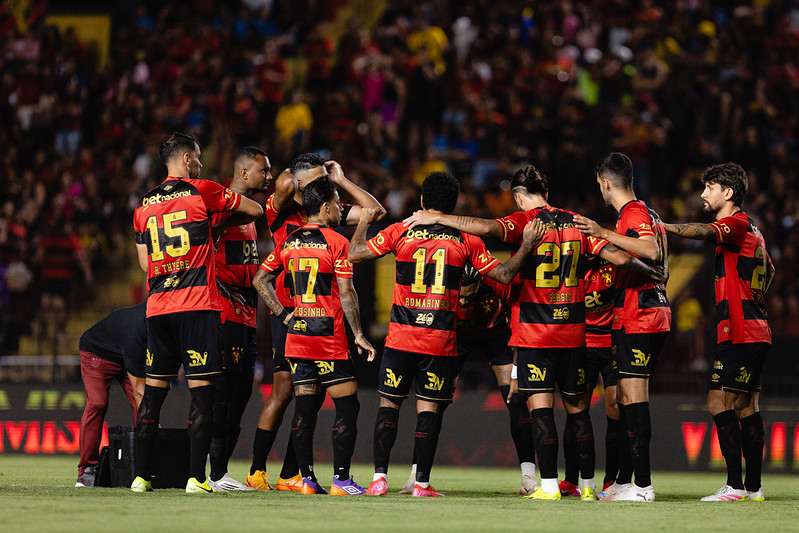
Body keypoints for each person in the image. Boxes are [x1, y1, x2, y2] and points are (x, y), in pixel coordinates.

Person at [404, 165, 664, 500]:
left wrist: (436, 218)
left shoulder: (523, 222)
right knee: (578, 411)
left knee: (541, 410)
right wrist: (651, 272)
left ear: (518, 195)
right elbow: (619, 258)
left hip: (535, 333)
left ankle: (550, 486)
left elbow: (483, 226)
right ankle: (587, 488)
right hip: (573, 333)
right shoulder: (577, 222)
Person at [349, 170, 544, 497]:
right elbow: (507, 273)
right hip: (443, 337)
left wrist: (362, 222)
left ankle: (380, 479)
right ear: (453, 206)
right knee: (430, 406)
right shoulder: (468, 241)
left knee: (392, 404)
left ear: (422, 202)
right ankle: (419, 480)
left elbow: (355, 255)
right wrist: (526, 246)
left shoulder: (402, 229)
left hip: (436, 335)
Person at [131, 132, 263, 494]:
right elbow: (255, 210)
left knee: (153, 395)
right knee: (202, 395)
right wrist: (211, 226)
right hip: (197, 306)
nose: (201, 164)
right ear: (188, 160)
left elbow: (145, 264)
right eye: (199, 158)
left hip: (158, 308)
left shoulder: (142, 205)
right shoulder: (200, 189)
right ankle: (196, 478)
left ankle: (140, 477)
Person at [247, 152, 385, 491]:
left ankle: (296, 475)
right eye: (318, 179)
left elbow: (375, 211)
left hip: (307, 317)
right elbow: (281, 182)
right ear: (299, 182)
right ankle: (258, 470)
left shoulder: (326, 211)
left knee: (306, 398)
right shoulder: (280, 209)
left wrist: (340, 181)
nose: (325, 183)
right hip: (294, 314)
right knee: (284, 393)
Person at [664, 163, 773, 502]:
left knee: (717, 402)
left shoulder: (736, 223)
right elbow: (769, 269)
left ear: (727, 193)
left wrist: (663, 226)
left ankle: (735, 486)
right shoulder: (754, 229)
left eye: (708, 188)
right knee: (746, 406)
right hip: (758, 328)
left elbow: (703, 231)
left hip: (739, 331)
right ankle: (753, 488)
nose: (702, 195)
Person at [574, 152, 671, 502]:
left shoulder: (632, 213)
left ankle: (642, 486)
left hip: (640, 315)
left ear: (605, 183)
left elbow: (649, 251)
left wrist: (601, 233)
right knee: (628, 399)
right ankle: (626, 482)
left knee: (634, 398)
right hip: (646, 313)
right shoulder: (649, 213)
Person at [398, 264, 538, 496]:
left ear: (481, 283)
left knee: (515, 400)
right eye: (459, 296)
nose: (463, 301)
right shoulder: (441, 287)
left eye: (469, 294)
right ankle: (416, 477)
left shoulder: (497, 282)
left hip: (497, 336)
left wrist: (515, 371)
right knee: (435, 403)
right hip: (457, 338)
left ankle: (528, 477)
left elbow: (519, 319)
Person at [206, 147, 273, 492]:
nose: (269, 177)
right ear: (245, 173)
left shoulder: (247, 215)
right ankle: (212, 472)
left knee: (242, 393)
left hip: (247, 315)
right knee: (224, 393)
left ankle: (220, 472)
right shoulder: (220, 205)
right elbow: (206, 249)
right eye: (264, 171)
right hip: (225, 314)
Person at [559, 257, 622, 498]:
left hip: (613, 343)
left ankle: (611, 481)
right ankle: (571, 480)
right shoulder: (570, 269)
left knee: (616, 408)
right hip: (582, 344)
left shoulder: (614, 267)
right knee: (576, 410)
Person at [75, 302, 146, 488]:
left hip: (126, 354)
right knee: (97, 402)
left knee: (146, 406)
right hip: (98, 351)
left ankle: (145, 467)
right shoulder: (138, 325)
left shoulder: (163, 321)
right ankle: (87, 469)